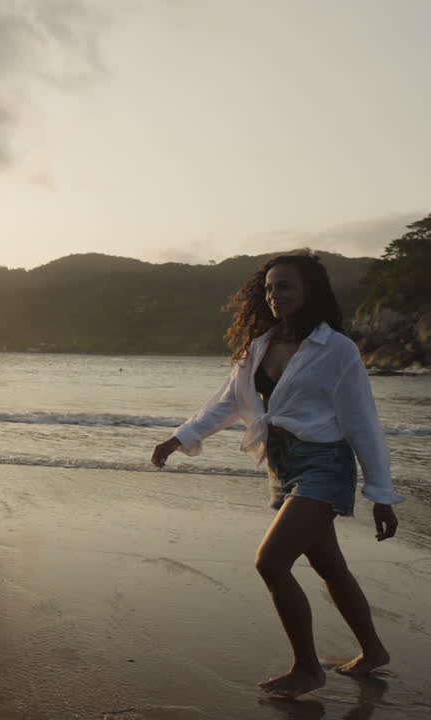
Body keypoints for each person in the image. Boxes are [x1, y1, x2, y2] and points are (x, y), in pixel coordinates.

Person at [151, 252, 403, 700]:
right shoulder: (259, 347)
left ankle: (307, 669)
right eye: (269, 288)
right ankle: (374, 651)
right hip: (280, 465)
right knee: (329, 565)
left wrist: (380, 493)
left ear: (309, 291)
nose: (275, 295)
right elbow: (227, 403)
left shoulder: (336, 349)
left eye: (285, 286)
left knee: (271, 562)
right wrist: (178, 438)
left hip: (325, 463)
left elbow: (362, 420)